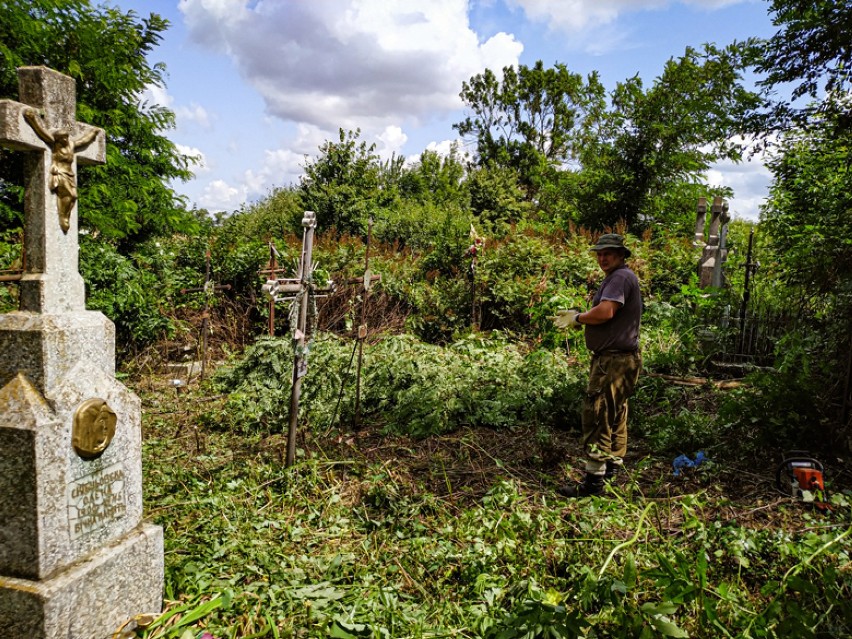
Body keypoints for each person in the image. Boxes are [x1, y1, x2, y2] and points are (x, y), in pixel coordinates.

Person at [554, 233, 642, 497]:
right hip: (621, 360)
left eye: (609, 253)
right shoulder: (622, 277)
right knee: (615, 414)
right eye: (599, 253)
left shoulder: (619, 278)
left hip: (613, 362)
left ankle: (594, 484)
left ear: (621, 255)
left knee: (598, 414)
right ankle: (612, 471)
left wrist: (579, 318)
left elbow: (606, 312)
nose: (603, 258)